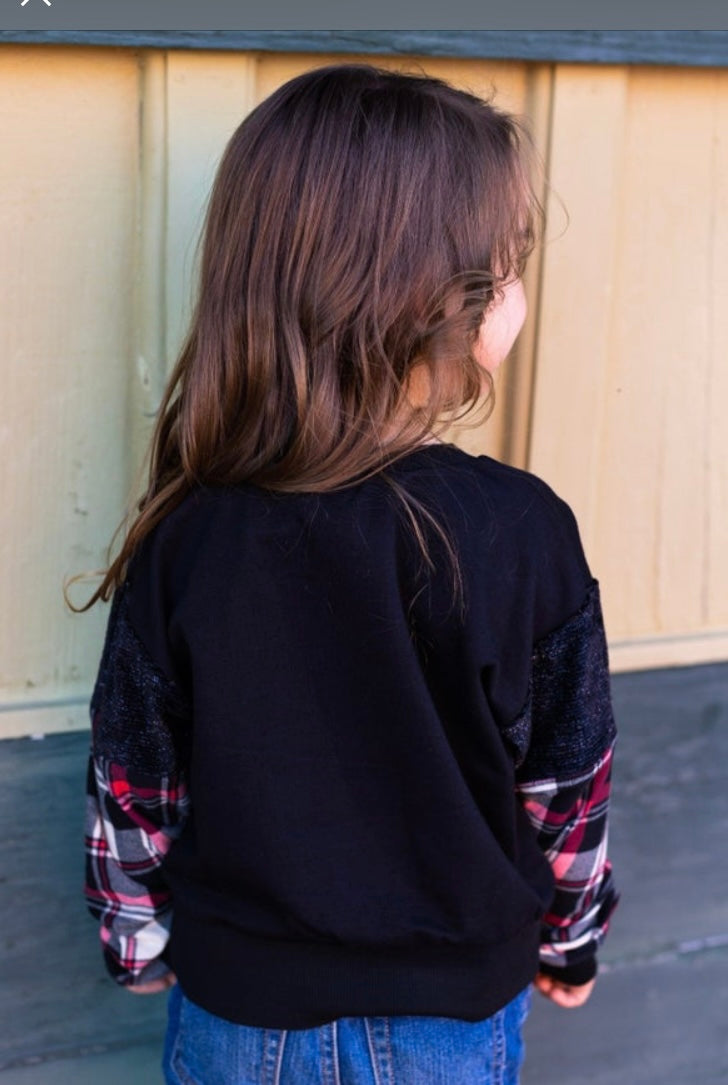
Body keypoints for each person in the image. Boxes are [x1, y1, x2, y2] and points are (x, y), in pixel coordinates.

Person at [82, 64, 618, 1084]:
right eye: (506, 264)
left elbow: (131, 777)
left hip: (240, 1016)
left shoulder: (190, 531)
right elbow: (568, 784)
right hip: (448, 1025)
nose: (516, 288)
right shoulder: (518, 529)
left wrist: (135, 943)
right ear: (440, 300)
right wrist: (568, 938)